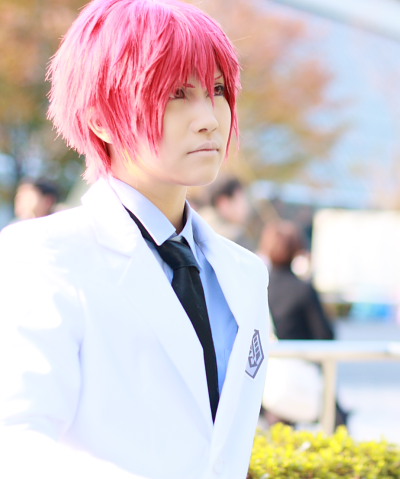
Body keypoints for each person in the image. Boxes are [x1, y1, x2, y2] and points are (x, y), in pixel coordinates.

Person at [0, 1, 270, 478]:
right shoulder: (45, 257)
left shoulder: (244, 272)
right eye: (176, 94)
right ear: (101, 118)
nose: (209, 118)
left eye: (217, 90)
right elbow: (17, 444)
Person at [257, 219, 349, 428]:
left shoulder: (258, 286)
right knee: (336, 422)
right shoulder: (303, 290)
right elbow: (325, 335)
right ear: (297, 250)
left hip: (265, 380)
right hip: (298, 375)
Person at [199, 175, 253, 248]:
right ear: (224, 203)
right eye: (241, 200)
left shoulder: (199, 222)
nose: (246, 207)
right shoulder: (234, 237)